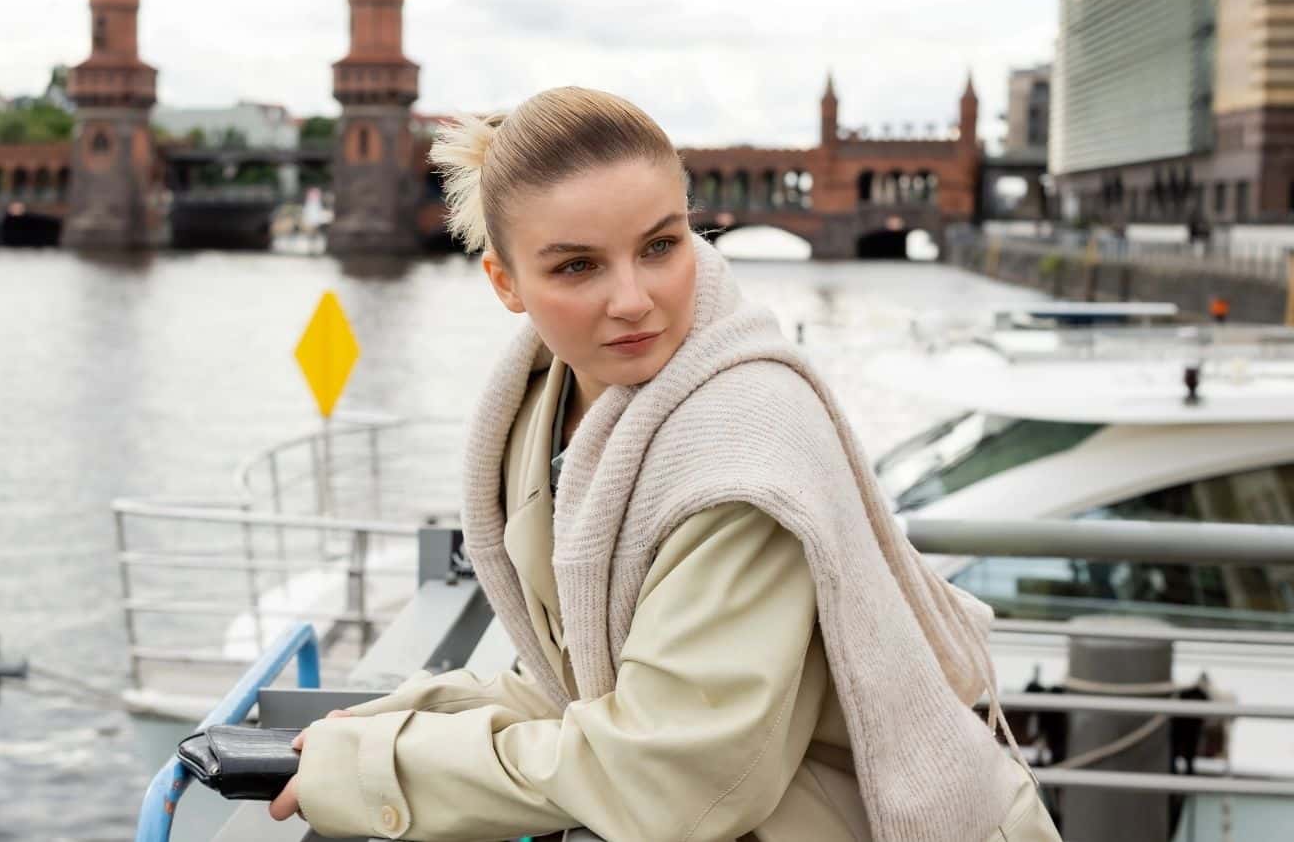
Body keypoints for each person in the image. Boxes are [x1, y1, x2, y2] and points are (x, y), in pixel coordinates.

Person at [269, 87, 1060, 841]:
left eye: (660, 246)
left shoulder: (743, 454)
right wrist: (402, 718)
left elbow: (675, 779)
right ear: (506, 284)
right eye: (578, 266)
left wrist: (385, 769)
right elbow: (580, 683)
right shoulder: (552, 405)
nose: (634, 299)